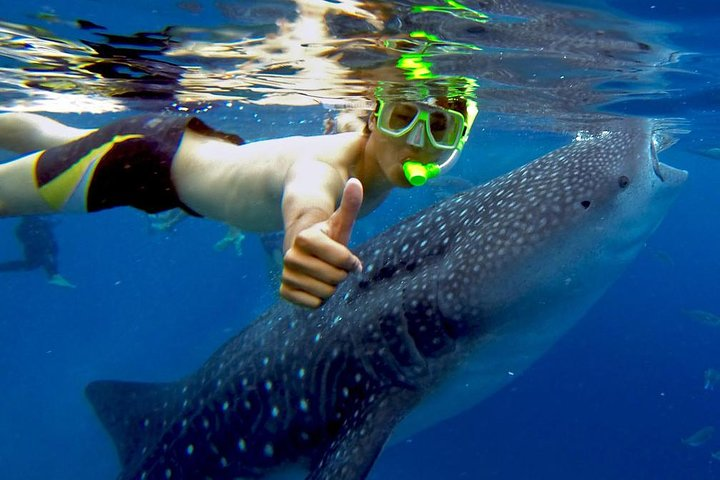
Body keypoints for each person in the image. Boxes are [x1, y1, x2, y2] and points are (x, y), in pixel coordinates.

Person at [0, 85, 477, 307]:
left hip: (186, 146)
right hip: (141, 164)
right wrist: (304, 240)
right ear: (375, 121)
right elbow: (307, 197)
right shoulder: (325, 167)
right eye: (401, 118)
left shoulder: (363, 144)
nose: (416, 141)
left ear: (457, 142)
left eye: (439, 127)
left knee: (62, 138)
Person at [0, 215, 75, 287]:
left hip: (31, 229)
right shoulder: (37, 225)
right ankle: (54, 275)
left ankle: (54, 275)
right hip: (32, 229)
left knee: (33, 262)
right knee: (43, 251)